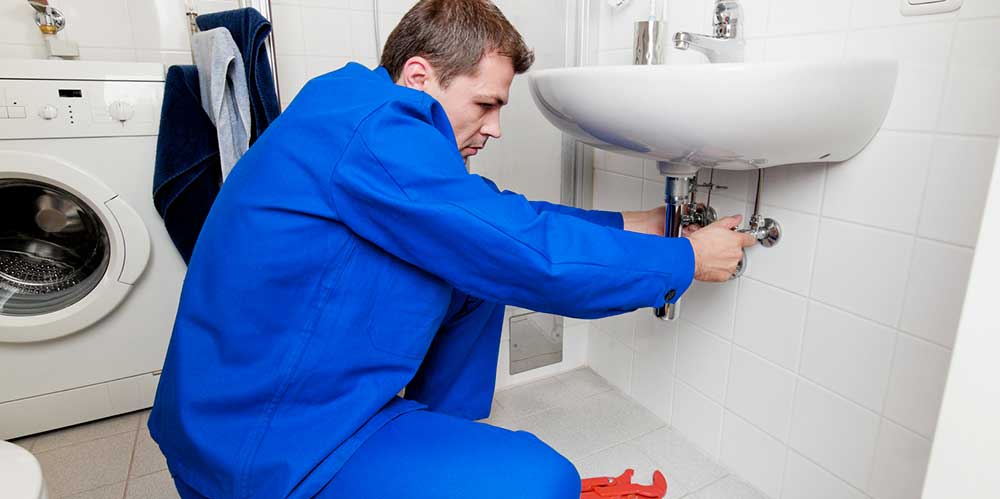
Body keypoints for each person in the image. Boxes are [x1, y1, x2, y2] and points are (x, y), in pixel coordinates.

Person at [148, 1, 755, 498]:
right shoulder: (379, 129)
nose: (493, 127)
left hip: (270, 402)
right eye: (485, 103)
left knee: (474, 277)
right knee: (545, 481)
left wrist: (640, 222)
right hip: (263, 443)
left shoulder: (355, 111)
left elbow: (497, 221)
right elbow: (522, 251)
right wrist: (685, 261)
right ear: (419, 77)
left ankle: (435, 444)